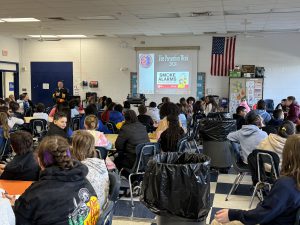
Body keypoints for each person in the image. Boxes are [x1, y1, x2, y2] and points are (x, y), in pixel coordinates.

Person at [10, 135, 100, 225]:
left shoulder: (36, 194)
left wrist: (18, 206)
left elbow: (18, 220)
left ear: (39, 160)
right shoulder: (84, 181)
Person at [211, 135, 300, 225]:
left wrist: (232, 214)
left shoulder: (285, 184)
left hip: (268, 220)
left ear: (289, 154)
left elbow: (262, 215)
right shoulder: (292, 182)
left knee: (216, 222)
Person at [71, 130, 109, 213]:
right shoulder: (100, 164)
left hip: (89, 214)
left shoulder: (80, 170)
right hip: (101, 210)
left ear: (74, 147)